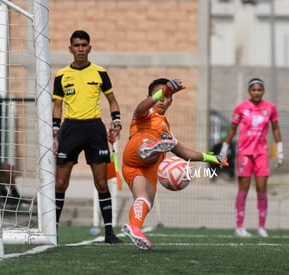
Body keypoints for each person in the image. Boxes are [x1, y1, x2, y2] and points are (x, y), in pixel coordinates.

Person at [120, 78, 228, 250]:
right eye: (160, 95)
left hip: (144, 168)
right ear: (150, 96)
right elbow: (139, 108)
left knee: (145, 199)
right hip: (135, 152)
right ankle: (150, 148)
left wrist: (211, 158)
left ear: (171, 101)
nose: (163, 99)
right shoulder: (146, 114)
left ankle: (134, 227)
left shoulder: (167, 131)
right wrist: (161, 92)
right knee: (147, 140)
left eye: (168, 95)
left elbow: (184, 153)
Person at [52, 30, 122, 244]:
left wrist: (116, 121)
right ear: (70, 48)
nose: (80, 49)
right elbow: (57, 105)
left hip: (94, 129)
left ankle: (109, 232)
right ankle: (52, 232)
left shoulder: (100, 72)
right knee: (61, 183)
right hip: (70, 129)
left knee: (102, 182)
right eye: (76, 45)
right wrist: (55, 132)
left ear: (89, 48)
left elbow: (112, 100)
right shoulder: (61, 75)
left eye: (84, 45)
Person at [219, 78, 283, 238]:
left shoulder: (270, 108)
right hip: (244, 154)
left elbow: (275, 128)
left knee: (262, 189)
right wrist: (224, 149)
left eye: (259, 90)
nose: (256, 92)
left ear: (263, 91)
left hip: (261, 153)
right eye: (253, 89)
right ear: (249, 91)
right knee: (243, 189)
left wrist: (279, 149)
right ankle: (239, 227)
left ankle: (262, 227)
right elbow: (232, 128)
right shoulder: (241, 108)